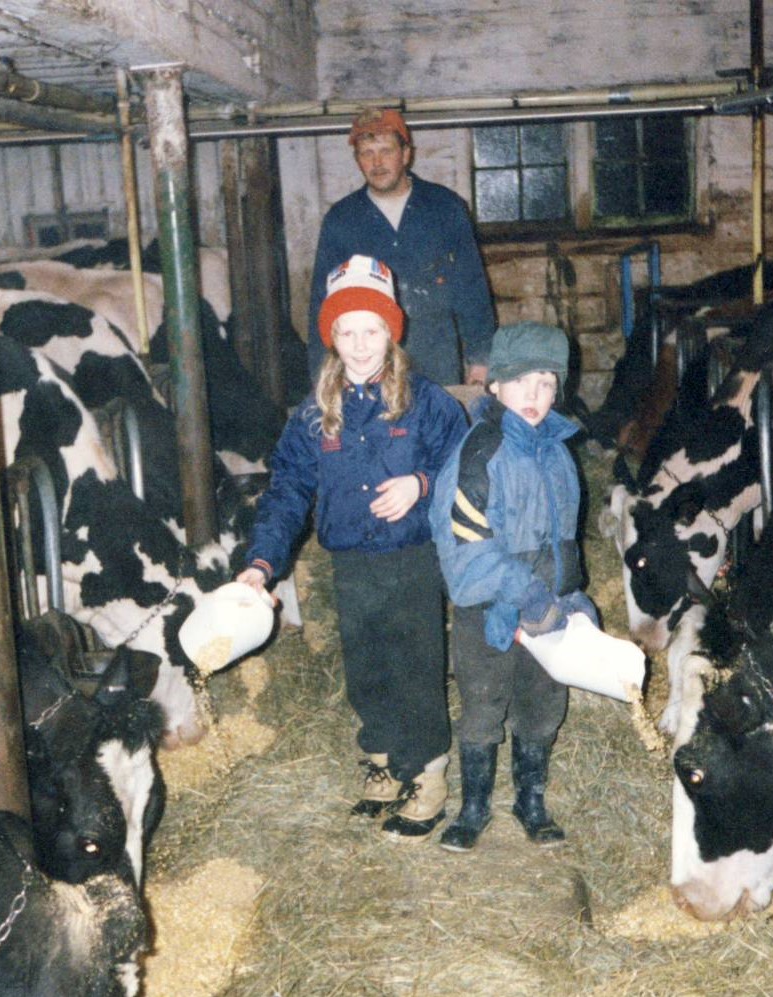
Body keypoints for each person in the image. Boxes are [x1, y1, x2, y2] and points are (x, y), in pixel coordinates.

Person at [237, 254, 469, 841]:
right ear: (331, 336)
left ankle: (429, 770)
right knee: (366, 663)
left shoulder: (428, 402)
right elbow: (287, 488)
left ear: (392, 331)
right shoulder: (315, 416)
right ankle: (384, 759)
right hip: (350, 561)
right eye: (347, 330)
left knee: (417, 663)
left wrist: (421, 484)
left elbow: (467, 466)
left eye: (372, 329)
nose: (361, 344)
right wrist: (261, 563)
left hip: (413, 558)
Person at [428, 321, 593, 853]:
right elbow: (466, 550)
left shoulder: (558, 452)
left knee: (542, 702)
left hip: (547, 609)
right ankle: (473, 807)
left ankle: (531, 801)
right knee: (482, 704)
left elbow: (567, 536)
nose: (534, 395)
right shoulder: (479, 454)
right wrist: (525, 591)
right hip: (489, 608)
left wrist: (572, 595)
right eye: (521, 381)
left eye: (546, 382)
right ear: (493, 385)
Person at [306, 108, 496, 388]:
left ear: (406, 154)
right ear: (357, 160)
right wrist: (325, 374)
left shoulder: (445, 207)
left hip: (437, 354)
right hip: (368, 359)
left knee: (436, 428)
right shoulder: (341, 220)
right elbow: (322, 302)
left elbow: (471, 286)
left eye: (386, 150)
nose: (377, 162)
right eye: (367, 153)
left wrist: (481, 357)